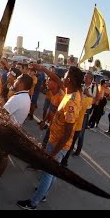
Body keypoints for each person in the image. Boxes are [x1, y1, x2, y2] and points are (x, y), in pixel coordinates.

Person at [17, 66, 83, 210]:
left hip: (58, 145)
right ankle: (44, 193)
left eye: (65, 76)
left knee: (48, 173)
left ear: (70, 80)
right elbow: (57, 78)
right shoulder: (71, 91)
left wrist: (53, 154)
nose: (62, 79)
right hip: (55, 141)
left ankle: (33, 203)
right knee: (51, 173)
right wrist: (41, 68)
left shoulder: (71, 101)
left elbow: (67, 133)